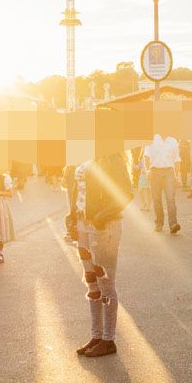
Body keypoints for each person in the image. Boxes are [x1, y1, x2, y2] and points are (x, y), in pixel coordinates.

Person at [73, 152, 132, 359]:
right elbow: (78, 190)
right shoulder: (85, 154)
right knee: (92, 283)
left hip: (104, 227)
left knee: (105, 283)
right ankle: (96, 336)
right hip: (83, 226)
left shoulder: (112, 157)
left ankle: (108, 339)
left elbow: (126, 192)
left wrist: (101, 216)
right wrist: (73, 217)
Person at [143, 135, 180, 234]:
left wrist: (177, 176)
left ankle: (173, 224)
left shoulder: (173, 141)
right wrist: (148, 171)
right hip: (154, 172)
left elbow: (177, 160)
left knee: (170, 199)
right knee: (156, 199)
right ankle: (159, 223)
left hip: (169, 172)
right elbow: (146, 156)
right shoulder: (151, 139)